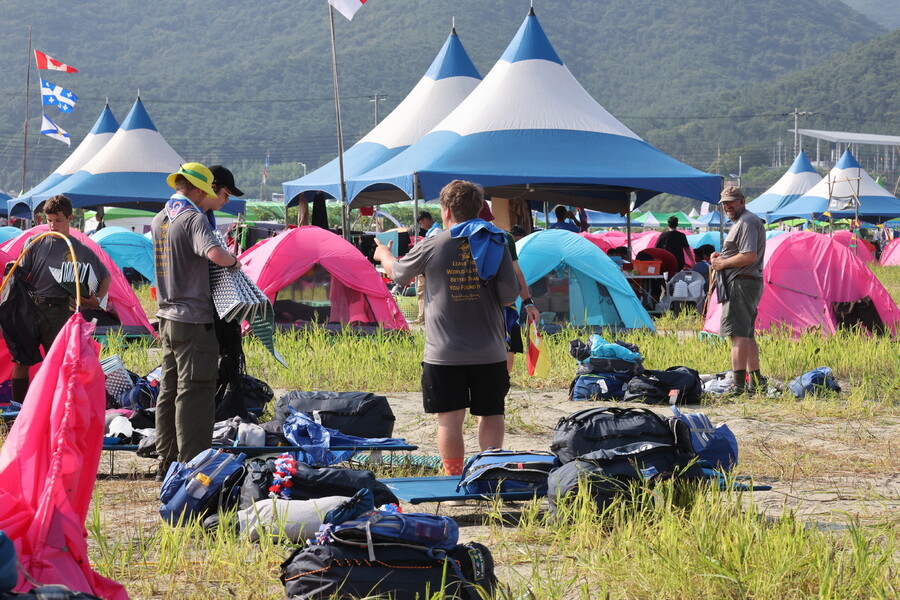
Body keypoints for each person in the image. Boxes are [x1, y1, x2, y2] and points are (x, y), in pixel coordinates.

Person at [373, 180, 519, 477]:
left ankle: (453, 483)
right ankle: (488, 479)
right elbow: (508, 297)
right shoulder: (497, 242)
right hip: (489, 351)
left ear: (446, 210)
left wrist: (383, 255)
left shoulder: (432, 244)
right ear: (479, 208)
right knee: (491, 415)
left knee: (449, 421)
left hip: (444, 354)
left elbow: (399, 275)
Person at [151, 163, 243, 480]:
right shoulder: (193, 219)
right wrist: (234, 259)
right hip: (193, 320)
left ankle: (166, 461)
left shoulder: (161, 217)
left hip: (166, 316)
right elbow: (216, 255)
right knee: (196, 393)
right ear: (201, 189)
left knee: (169, 390)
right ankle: (193, 468)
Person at [10, 194, 111, 405]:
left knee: (58, 361)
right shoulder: (34, 242)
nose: (52, 225)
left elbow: (106, 276)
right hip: (31, 306)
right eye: (48, 221)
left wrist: (97, 300)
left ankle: (56, 408)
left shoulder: (80, 249)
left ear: (70, 219)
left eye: (58, 220)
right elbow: (19, 275)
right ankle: (17, 411)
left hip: (60, 310)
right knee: (21, 359)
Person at [711, 185, 767, 395]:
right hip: (747, 282)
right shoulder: (746, 221)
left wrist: (722, 264)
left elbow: (748, 255)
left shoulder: (745, 222)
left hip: (741, 283)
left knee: (737, 335)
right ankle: (756, 383)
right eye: (724, 203)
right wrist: (722, 258)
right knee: (747, 334)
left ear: (742, 201)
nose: (727, 206)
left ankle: (739, 387)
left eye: (731, 202)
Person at [411, 211, 444, 323]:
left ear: (425, 220)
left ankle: (424, 317)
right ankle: (422, 317)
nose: (421, 226)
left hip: (430, 268)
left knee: (426, 292)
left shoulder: (436, 232)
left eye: (421, 223)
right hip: (426, 268)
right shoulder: (432, 231)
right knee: (422, 292)